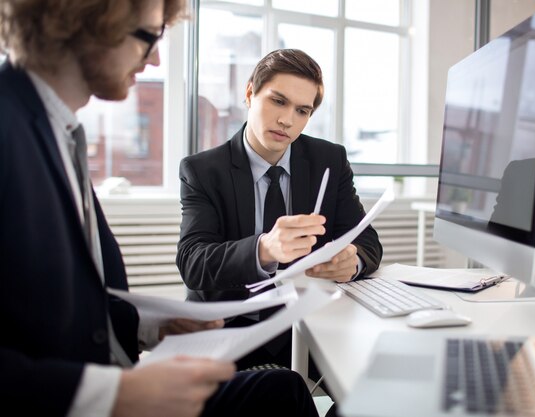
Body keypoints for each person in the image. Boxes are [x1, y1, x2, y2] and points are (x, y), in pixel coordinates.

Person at [0, 1, 319, 416]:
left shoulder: (59, 130)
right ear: (80, 20)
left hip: (116, 373)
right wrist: (113, 395)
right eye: (148, 36)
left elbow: (59, 298)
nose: (156, 59)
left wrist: (151, 325)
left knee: (283, 389)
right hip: (74, 398)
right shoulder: (9, 129)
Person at [176, 48, 383, 370]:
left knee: (374, 386)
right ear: (250, 93)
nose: (287, 120)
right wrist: (264, 249)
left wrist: (352, 260)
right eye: (278, 101)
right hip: (231, 329)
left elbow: (366, 239)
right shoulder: (203, 170)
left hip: (309, 324)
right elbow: (193, 262)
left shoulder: (329, 161)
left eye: (302, 110)